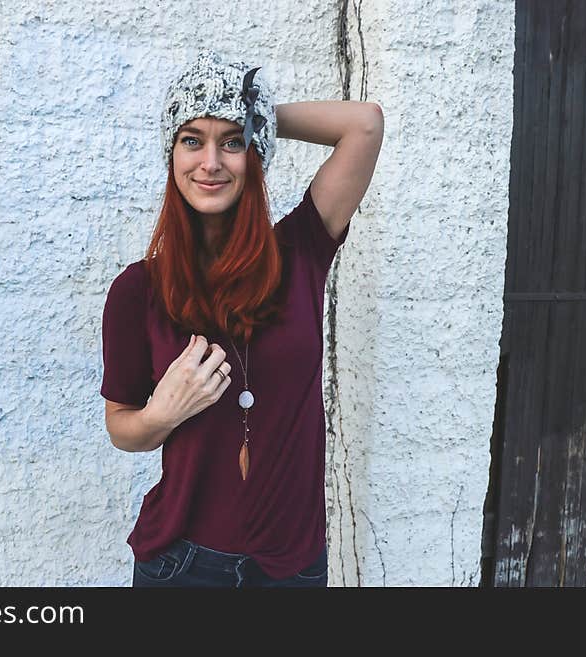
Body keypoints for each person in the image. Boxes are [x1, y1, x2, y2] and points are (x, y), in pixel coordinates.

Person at [100, 49, 383, 587]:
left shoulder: (301, 250)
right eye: (192, 139)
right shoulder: (137, 291)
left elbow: (364, 125)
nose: (211, 162)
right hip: (180, 564)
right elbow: (122, 427)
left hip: (291, 568)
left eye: (232, 141)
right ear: (172, 154)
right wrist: (163, 413)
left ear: (255, 153)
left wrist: (258, 112)